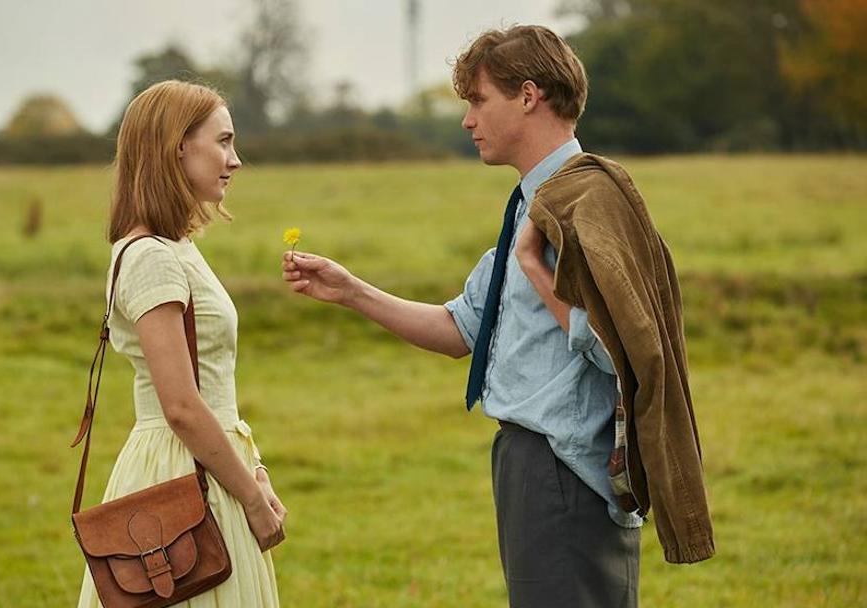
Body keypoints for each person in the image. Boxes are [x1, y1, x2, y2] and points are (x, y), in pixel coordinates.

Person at [281, 26, 713, 607]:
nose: (467, 119)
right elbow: (463, 330)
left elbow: (626, 352)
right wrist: (351, 291)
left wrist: (536, 266)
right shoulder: (533, 207)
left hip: (565, 467)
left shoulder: (588, 202)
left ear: (529, 95)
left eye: (479, 100)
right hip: (530, 461)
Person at [77, 80, 284, 608]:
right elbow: (182, 405)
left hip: (210, 462)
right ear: (177, 148)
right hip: (183, 470)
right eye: (223, 141)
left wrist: (254, 472)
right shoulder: (151, 256)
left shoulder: (176, 247)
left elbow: (211, 388)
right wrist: (250, 500)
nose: (234, 160)